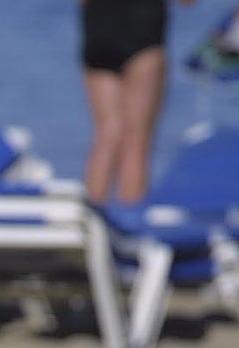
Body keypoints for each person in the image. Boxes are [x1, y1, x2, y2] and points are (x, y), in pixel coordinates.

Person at [79, 0, 196, 205]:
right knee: (136, 143)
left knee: (107, 135)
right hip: (142, 33)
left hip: (98, 34)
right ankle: (131, 220)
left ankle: (90, 219)